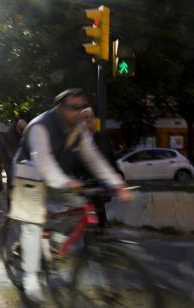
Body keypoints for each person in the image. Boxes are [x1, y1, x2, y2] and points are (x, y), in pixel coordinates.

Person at [11, 88, 133, 303]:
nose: (79, 112)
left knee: (80, 205)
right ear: (59, 107)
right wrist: (66, 182)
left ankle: (53, 244)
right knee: (32, 224)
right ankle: (30, 277)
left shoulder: (78, 128)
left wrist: (116, 183)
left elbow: (92, 157)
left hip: (56, 174)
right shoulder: (42, 126)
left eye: (81, 107)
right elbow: (43, 161)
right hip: (29, 172)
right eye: (73, 108)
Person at [80, 107, 119, 230]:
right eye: (85, 117)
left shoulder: (102, 138)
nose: (89, 119)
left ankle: (101, 235)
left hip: (99, 183)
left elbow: (110, 158)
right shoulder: (77, 140)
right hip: (83, 183)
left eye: (91, 116)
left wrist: (118, 176)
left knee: (99, 213)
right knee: (86, 216)